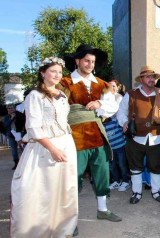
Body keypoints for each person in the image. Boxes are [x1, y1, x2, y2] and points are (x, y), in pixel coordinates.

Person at [10, 57, 78, 237]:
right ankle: (37, 231)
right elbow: (33, 127)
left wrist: (65, 146)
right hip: (44, 147)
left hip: (66, 144)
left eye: (59, 71)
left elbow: (63, 121)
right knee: (41, 190)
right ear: (42, 73)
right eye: (52, 71)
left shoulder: (63, 94)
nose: (57, 75)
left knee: (63, 189)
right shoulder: (34, 95)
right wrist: (53, 149)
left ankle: (61, 229)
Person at [60, 44, 121, 222]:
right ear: (77, 61)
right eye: (86, 60)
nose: (90, 64)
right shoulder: (65, 82)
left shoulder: (101, 84)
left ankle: (103, 209)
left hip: (97, 134)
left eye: (93, 61)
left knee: (102, 172)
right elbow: (58, 108)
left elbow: (113, 107)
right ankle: (69, 218)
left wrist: (100, 104)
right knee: (74, 175)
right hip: (74, 135)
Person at [117, 66, 160, 204]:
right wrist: (124, 123)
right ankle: (136, 192)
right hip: (135, 137)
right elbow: (120, 112)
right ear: (141, 79)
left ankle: (156, 191)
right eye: (148, 77)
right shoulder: (131, 94)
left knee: (156, 166)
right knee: (135, 167)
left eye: (153, 77)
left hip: (156, 137)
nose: (152, 79)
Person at [106, 78, 130, 192]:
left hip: (119, 141)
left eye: (113, 86)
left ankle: (125, 181)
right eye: (109, 86)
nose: (112, 88)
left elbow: (122, 115)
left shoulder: (120, 98)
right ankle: (116, 180)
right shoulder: (105, 99)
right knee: (112, 164)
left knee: (122, 163)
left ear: (118, 87)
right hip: (110, 142)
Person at [1, 104, 25, 169]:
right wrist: (11, 118)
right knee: (14, 150)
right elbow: (5, 125)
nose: (10, 109)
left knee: (23, 148)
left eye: (11, 108)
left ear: (14, 108)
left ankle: (25, 162)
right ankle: (16, 163)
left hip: (20, 135)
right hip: (10, 135)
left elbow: (22, 123)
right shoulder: (6, 117)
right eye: (9, 108)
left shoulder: (19, 115)